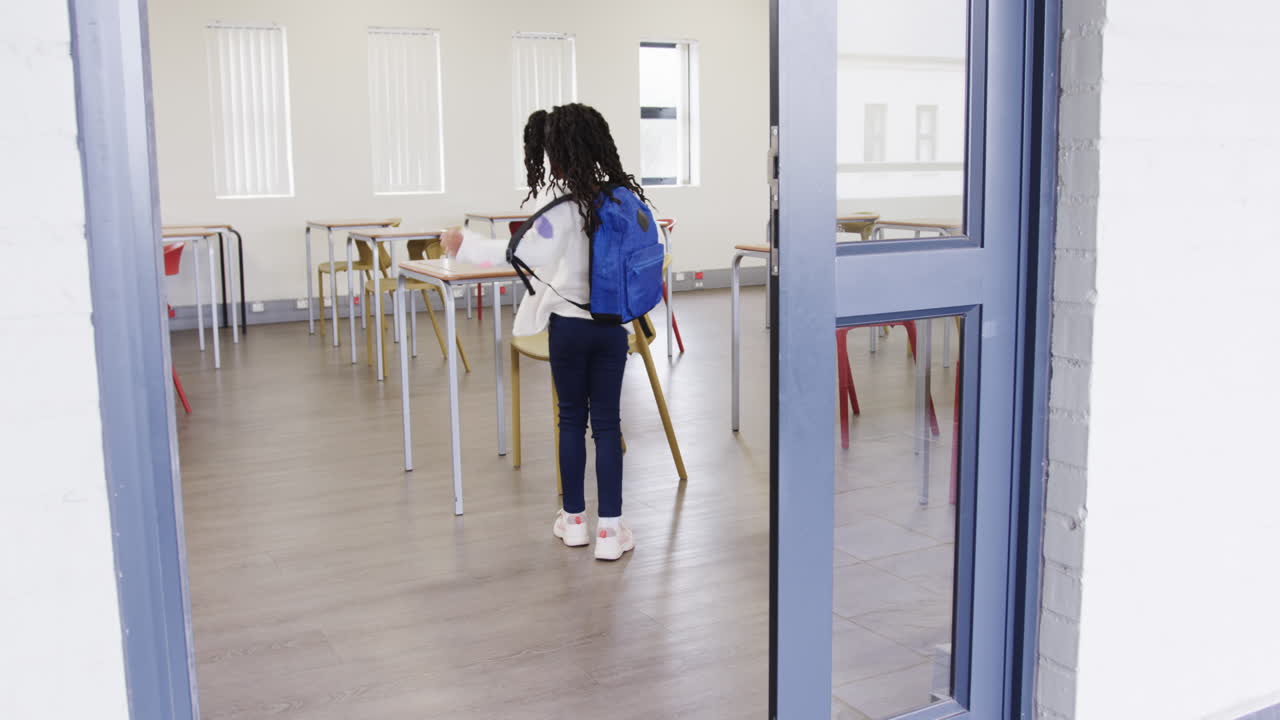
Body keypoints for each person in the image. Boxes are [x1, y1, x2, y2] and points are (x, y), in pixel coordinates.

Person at [440, 103, 652, 561]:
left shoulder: (562, 210)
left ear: (556, 156)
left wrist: (465, 246)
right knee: (609, 424)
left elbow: (520, 253)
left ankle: (574, 521)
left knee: (571, 421)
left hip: (568, 330)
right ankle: (611, 532)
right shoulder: (623, 201)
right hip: (613, 329)